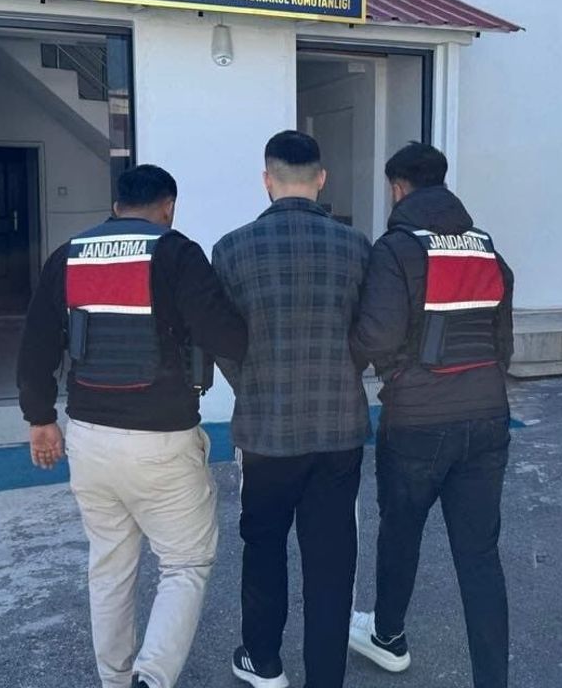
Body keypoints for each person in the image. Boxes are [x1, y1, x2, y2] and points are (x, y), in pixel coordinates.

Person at [17, 164, 248, 688]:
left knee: (109, 566)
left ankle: (116, 680)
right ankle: (153, 677)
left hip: (88, 439)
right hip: (162, 441)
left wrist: (40, 418)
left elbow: (36, 344)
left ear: (116, 205)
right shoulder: (176, 253)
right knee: (185, 564)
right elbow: (226, 337)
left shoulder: (69, 255)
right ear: (169, 207)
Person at [347, 143, 516, 688]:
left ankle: (388, 635)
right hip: (488, 418)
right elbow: (503, 341)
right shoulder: (485, 247)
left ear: (398, 188)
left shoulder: (396, 249)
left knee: (401, 533)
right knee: (480, 556)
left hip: (417, 422)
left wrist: (385, 370)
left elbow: (376, 335)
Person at [212, 130, 372, 688]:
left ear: (267, 179)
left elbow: (223, 339)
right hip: (338, 427)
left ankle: (264, 661)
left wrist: (252, 383)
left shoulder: (231, 249)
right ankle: (325, 678)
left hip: (266, 430)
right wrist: (345, 367)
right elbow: (370, 330)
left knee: (263, 546)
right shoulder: (357, 246)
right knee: (332, 560)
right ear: (321, 178)